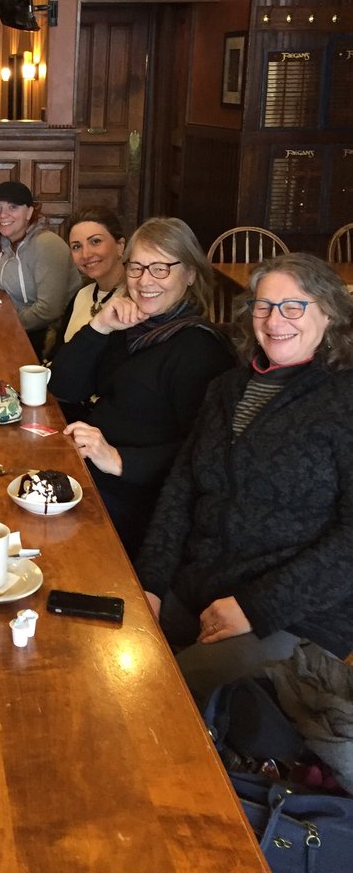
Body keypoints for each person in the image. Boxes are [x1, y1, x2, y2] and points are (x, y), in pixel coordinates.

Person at [136, 253, 353, 704]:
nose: (275, 320)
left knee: (158, 699)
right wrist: (151, 584)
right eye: (263, 305)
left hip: (296, 613)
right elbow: (181, 490)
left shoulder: (343, 400)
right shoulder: (227, 389)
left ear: (329, 313)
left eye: (294, 306)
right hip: (201, 585)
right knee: (108, 647)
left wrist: (256, 607)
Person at [50, 216, 236, 558]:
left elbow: (204, 452)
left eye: (160, 269)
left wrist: (120, 459)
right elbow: (63, 385)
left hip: (141, 501)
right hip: (92, 473)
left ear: (191, 274)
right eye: (135, 268)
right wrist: (99, 325)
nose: (144, 280)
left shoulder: (199, 349)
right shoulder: (130, 327)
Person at [0, 181, 80, 357]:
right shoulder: (8, 244)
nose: (2, 215)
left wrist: (2, 326)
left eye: (13, 207)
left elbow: (49, 310)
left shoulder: (46, 244)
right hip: (17, 331)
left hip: (45, 339)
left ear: (29, 212)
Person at [57, 207, 127, 346]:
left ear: (120, 246)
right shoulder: (81, 295)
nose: (86, 254)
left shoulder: (136, 299)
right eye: (77, 246)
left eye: (95, 241)